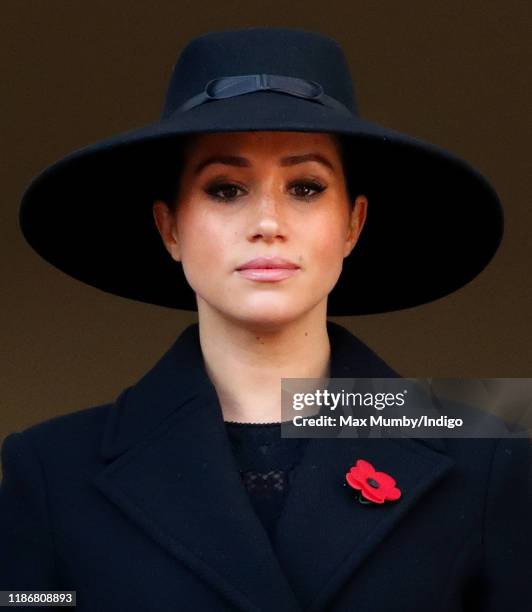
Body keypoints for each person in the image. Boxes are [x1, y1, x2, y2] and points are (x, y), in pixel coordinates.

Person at [1, 27, 530, 611]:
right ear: (169, 227)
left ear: (352, 225)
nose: (269, 221)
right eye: (226, 190)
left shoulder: (487, 465)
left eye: (305, 187)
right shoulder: (51, 472)